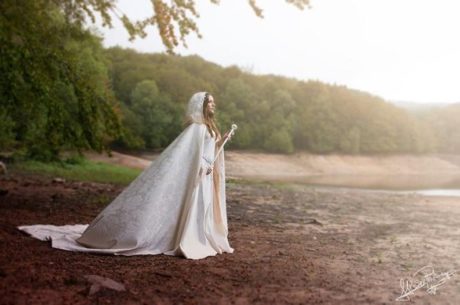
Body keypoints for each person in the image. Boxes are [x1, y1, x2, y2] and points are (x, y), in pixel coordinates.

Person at [18, 92, 235, 260]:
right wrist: (202, 168)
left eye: (214, 102)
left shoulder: (208, 127)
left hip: (205, 176)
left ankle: (202, 236)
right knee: (194, 208)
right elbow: (188, 158)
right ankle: (191, 238)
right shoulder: (196, 129)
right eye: (210, 102)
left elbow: (208, 150)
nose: (213, 105)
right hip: (200, 174)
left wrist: (220, 140)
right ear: (201, 105)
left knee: (203, 208)